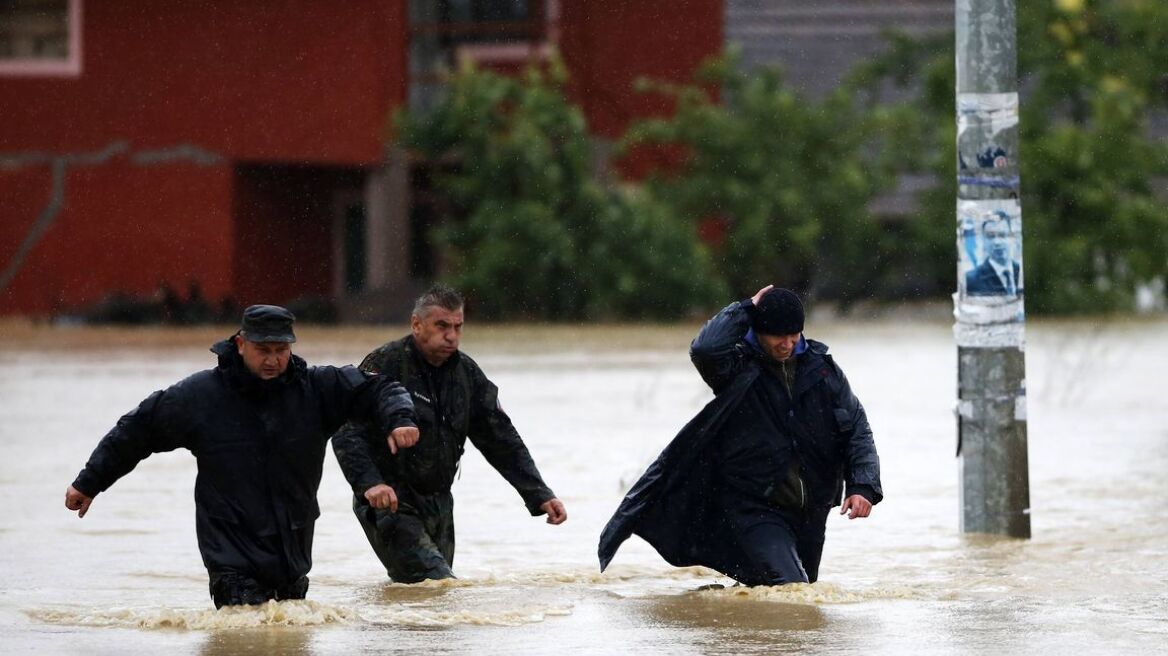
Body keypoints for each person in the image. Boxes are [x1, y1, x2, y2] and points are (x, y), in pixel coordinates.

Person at [64, 305, 419, 608]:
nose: (273, 360)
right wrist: (90, 482)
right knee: (245, 636)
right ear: (240, 344)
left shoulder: (317, 390)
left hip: (293, 559)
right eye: (263, 350)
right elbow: (136, 430)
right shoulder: (201, 397)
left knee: (288, 634)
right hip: (231, 560)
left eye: (281, 350)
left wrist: (399, 418)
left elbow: (380, 387)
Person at [598, 286, 882, 586]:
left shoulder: (824, 371)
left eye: (793, 335)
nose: (787, 344)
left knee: (797, 595)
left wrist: (862, 486)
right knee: (791, 588)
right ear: (758, 331)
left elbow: (857, 430)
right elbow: (705, 349)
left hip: (812, 509)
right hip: (754, 504)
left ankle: (720, 607)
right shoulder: (737, 367)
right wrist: (745, 308)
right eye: (778, 336)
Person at [332, 284, 567, 583]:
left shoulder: (467, 374)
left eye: (458, 327)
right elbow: (345, 430)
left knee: (424, 596)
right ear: (417, 324)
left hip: (439, 502)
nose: (451, 336)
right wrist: (370, 483)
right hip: (390, 501)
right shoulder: (385, 364)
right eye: (442, 326)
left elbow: (501, 439)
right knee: (439, 583)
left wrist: (539, 493)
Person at [965, 211, 1022, 296]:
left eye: (1002, 235)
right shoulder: (970, 280)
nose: (997, 242)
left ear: (1012, 237)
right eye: (990, 237)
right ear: (983, 241)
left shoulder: (1020, 271)